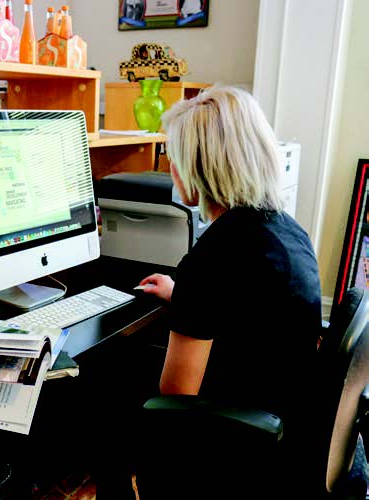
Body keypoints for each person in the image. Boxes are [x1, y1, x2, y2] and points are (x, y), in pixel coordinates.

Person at [132, 84, 322, 494]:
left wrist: (193, 292)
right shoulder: (286, 230)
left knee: (111, 394)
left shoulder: (215, 257)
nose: (171, 169)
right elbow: (246, 303)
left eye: (173, 157)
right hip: (293, 429)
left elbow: (176, 396)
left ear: (198, 167)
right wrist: (184, 295)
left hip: (244, 450)